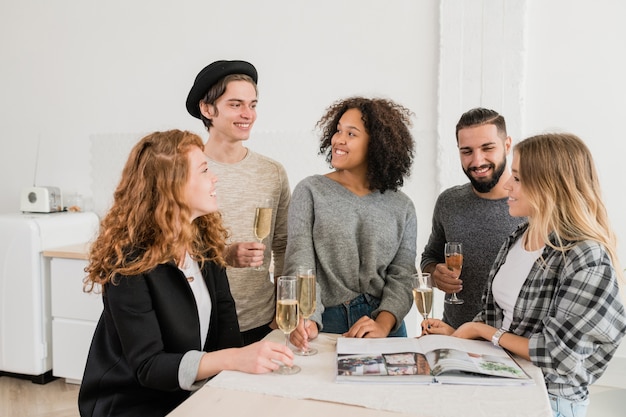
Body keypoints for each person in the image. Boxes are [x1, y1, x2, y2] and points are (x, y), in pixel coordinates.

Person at [78, 130, 293, 417]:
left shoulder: (203, 242)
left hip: (189, 395)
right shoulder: (129, 264)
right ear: (172, 185)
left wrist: (239, 374)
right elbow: (149, 366)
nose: (214, 177)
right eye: (204, 170)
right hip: (132, 403)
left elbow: (226, 324)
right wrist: (233, 359)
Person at [423, 133, 626, 417]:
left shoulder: (585, 256)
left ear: (549, 186)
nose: (507, 185)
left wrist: (481, 331)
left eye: (517, 178)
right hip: (504, 383)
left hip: (549, 400)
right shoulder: (520, 236)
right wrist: (457, 336)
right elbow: (503, 319)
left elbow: (558, 355)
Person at [286, 97, 417, 350]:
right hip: (326, 322)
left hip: (385, 325)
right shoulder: (311, 191)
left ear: (377, 144)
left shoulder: (402, 206)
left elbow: (402, 275)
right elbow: (300, 262)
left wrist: (383, 323)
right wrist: (308, 318)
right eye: (338, 131)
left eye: (351, 134)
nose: (338, 140)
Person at [186, 60, 291, 345]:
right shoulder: (185, 170)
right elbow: (169, 245)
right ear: (207, 109)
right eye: (235, 104)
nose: (248, 114)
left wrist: (281, 312)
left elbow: (282, 245)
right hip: (200, 320)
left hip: (260, 321)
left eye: (253, 104)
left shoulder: (272, 172)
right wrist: (224, 255)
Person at [420, 108, 522, 329]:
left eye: (487, 148)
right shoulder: (449, 202)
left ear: (507, 145)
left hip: (511, 344)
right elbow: (429, 257)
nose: (477, 161)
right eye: (466, 151)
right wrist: (436, 274)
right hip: (454, 336)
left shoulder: (530, 206)